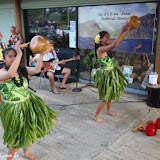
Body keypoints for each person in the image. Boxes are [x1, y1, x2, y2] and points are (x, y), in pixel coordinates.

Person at [0, 41, 59, 160]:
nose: (13, 58)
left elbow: (37, 70)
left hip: (27, 105)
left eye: (14, 55)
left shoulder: (22, 70)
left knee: (28, 131)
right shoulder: (2, 72)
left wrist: (41, 55)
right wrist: (19, 54)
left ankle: (25, 153)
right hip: (13, 110)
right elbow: (10, 74)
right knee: (15, 141)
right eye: (10, 56)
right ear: (4, 59)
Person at [94, 23, 131, 123]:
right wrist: (123, 30)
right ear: (100, 39)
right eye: (106, 37)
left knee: (111, 94)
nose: (108, 39)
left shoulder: (106, 48)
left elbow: (114, 43)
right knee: (106, 97)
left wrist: (127, 31)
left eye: (109, 37)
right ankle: (96, 115)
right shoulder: (100, 49)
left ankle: (109, 111)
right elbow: (115, 44)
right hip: (106, 75)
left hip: (112, 74)